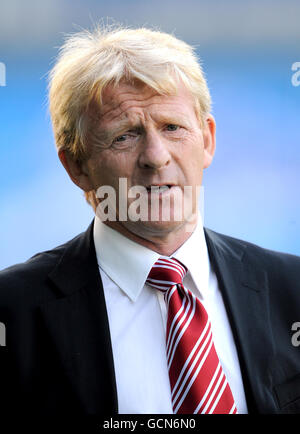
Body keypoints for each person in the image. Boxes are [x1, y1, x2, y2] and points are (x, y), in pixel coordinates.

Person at [0, 25, 300, 417]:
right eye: (125, 135)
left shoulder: (291, 289)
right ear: (76, 165)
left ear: (207, 140)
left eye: (172, 127)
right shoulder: (14, 312)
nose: (156, 157)